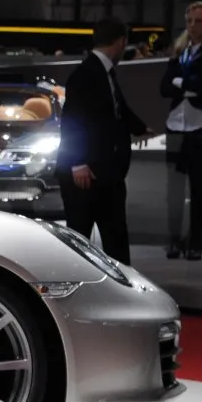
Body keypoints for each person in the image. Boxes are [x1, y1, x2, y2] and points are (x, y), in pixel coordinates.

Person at [56, 17, 148, 265]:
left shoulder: (101, 73)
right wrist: (77, 162)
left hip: (105, 172)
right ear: (121, 42)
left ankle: (119, 283)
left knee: (112, 238)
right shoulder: (87, 74)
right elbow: (72, 120)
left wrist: (140, 128)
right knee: (80, 242)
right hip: (86, 174)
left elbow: (117, 111)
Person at [160, 1, 202, 260]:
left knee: (198, 186)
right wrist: (186, 84)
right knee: (173, 188)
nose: (193, 25)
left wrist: (180, 82)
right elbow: (163, 88)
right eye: (189, 21)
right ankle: (173, 239)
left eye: (199, 21)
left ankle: (195, 242)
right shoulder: (179, 50)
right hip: (175, 124)